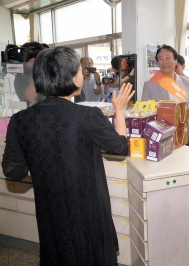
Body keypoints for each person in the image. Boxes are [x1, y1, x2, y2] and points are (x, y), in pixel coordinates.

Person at [2, 46, 135, 265]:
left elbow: (13, 170)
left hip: (50, 210)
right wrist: (119, 110)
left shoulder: (20, 121)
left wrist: (45, 171)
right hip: (88, 210)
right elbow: (119, 146)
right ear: (72, 77)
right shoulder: (87, 115)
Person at [141, 44, 189, 146]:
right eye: (160, 59)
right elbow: (144, 113)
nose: (164, 62)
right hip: (163, 137)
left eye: (168, 58)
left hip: (183, 134)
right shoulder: (149, 85)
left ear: (176, 61)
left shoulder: (186, 82)